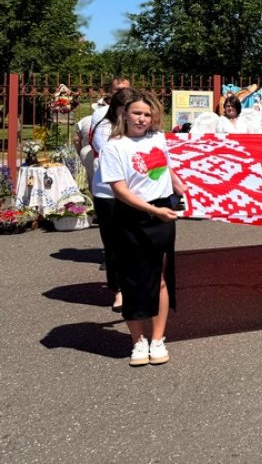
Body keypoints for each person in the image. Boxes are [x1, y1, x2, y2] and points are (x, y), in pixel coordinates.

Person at [100, 90, 188, 366]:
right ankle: (138, 341)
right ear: (124, 114)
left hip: (162, 213)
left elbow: (165, 165)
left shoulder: (158, 138)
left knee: (160, 278)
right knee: (133, 280)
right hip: (132, 215)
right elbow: (119, 190)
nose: (142, 119)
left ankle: (158, 339)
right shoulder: (114, 147)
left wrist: (178, 184)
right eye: (137, 113)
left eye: (147, 114)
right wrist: (153, 210)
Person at [90, 87, 140, 313]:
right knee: (113, 244)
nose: (130, 114)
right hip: (108, 193)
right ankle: (118, 290)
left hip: (135, 192)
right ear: (116, 109)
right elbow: (112, 153)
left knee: (135, 241)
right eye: (125, 110)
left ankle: (134, 285)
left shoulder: (138, 127)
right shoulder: (104, 128)